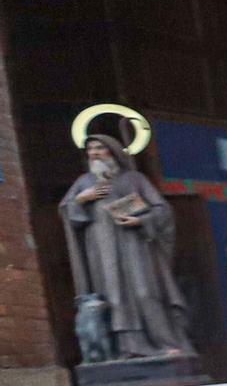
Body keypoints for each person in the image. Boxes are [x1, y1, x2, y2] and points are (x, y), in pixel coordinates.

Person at [60, 133, 193, 357]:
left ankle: (164, 343)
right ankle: (127, 348)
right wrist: (82, 199)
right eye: (90, 149)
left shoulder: (134, 179)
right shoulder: (84, 182)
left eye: (99, 148)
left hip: (136, 246)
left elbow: (162, 210)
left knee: (145, 292)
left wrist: (140, 220)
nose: (94, 153)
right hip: (101, 249)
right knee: (113, 297)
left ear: (112, 152)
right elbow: (67, 211)